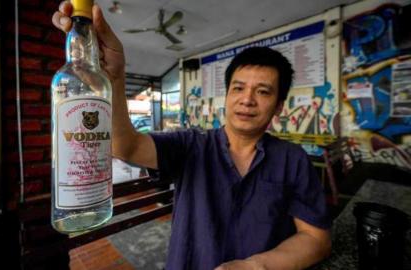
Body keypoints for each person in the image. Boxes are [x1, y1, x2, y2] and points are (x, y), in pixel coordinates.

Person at [52, 2, 331, 269]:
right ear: (227, 95)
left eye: (263, 91)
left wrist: (255, 266)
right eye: (238, 88)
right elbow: (126, 146)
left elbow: (316, 239)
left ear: (279, 105)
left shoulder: (293, 160)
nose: (247, 100)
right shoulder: (191, 145)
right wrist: (114, 79)